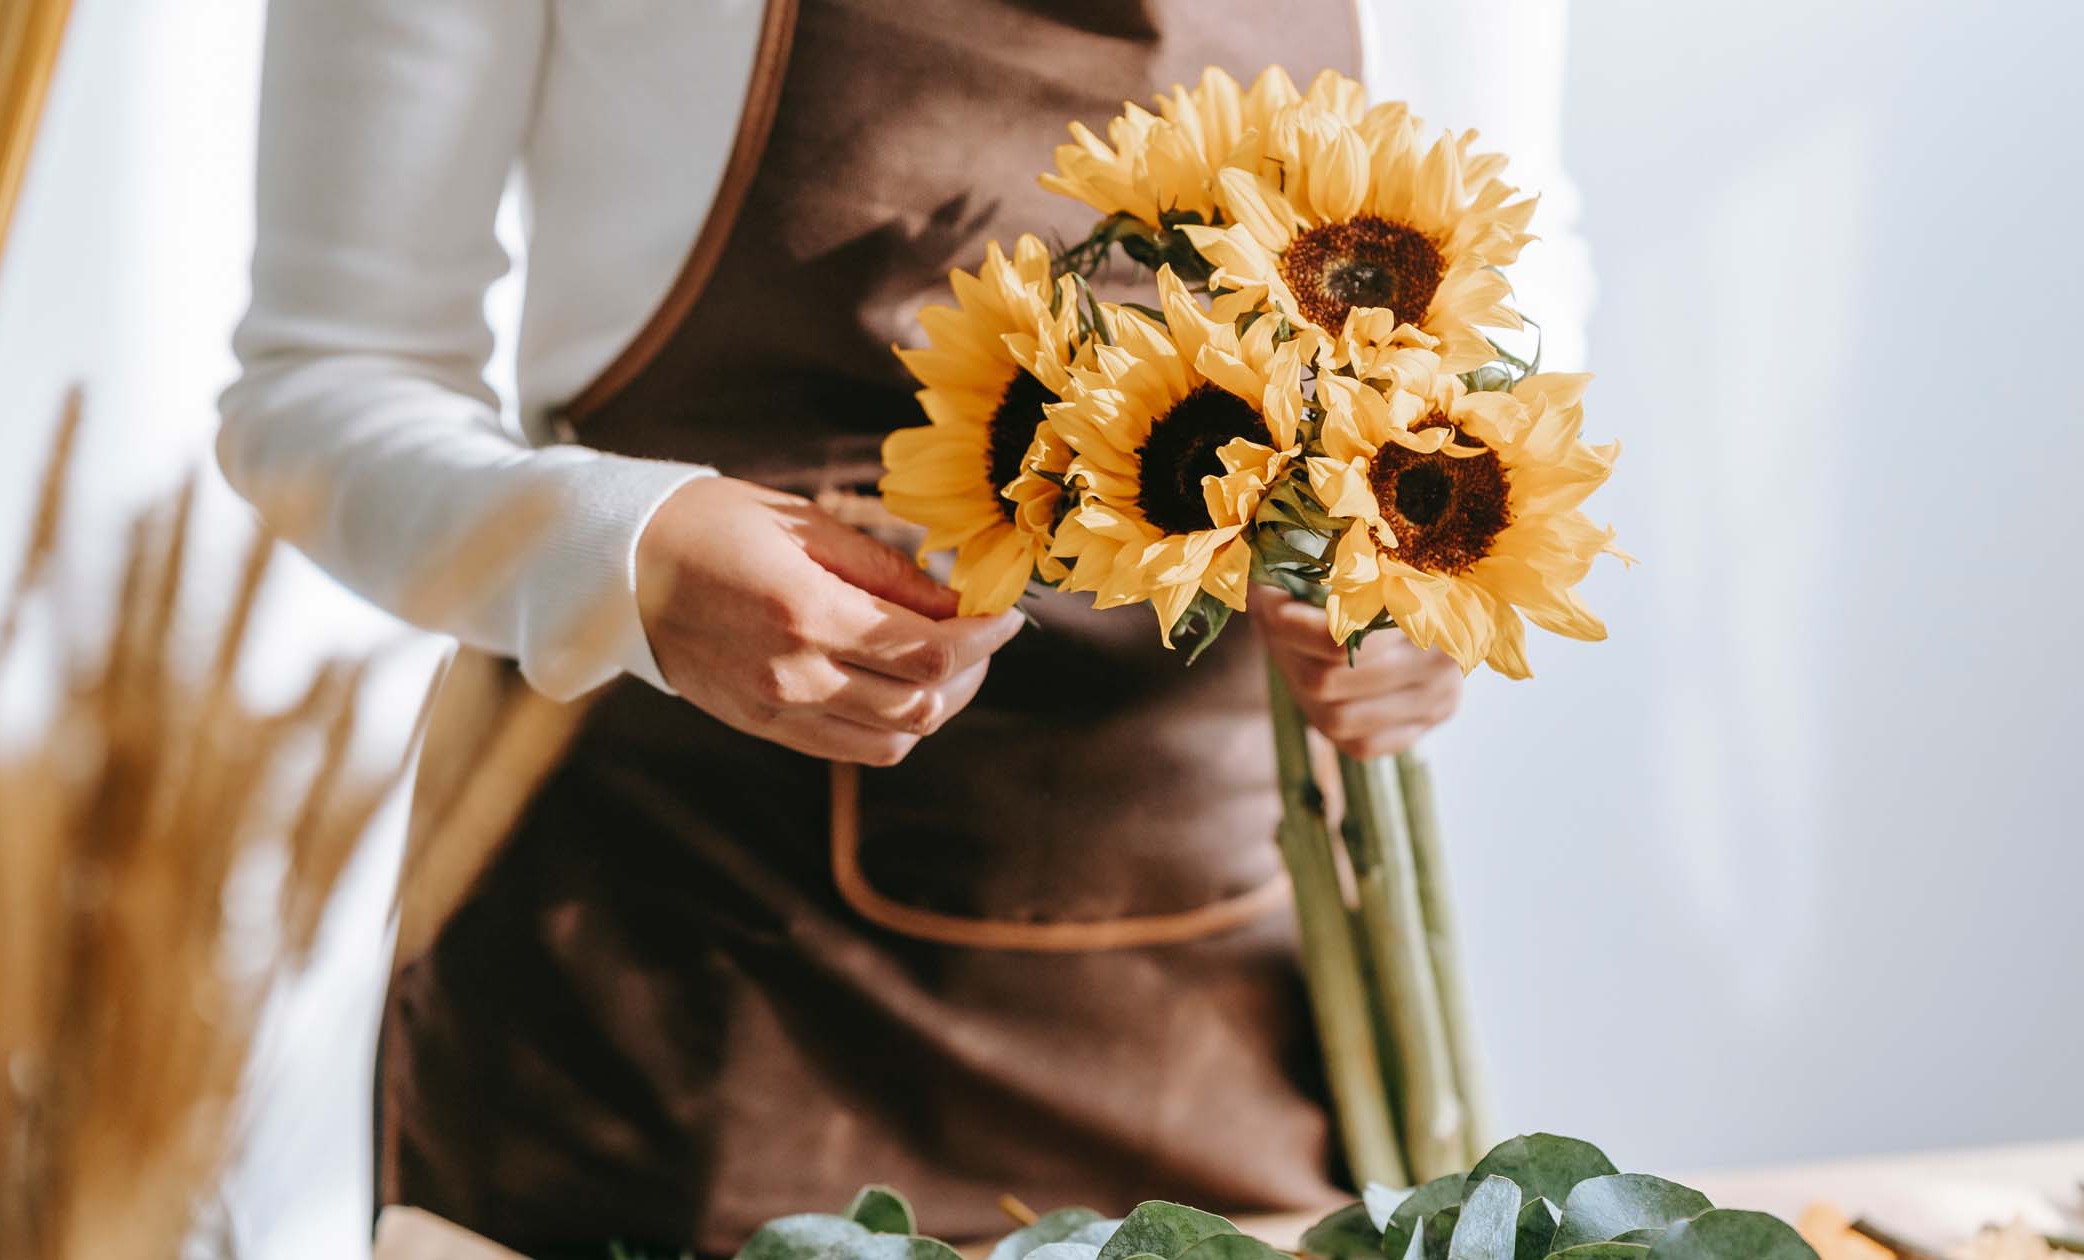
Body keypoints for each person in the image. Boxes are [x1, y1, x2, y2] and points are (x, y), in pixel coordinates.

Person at [218, 0, 1590, 1252]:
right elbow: (324, 378)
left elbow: (1515, 263)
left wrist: (1437, 564)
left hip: (1229, 988)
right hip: (669, 970)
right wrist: (619, 559)